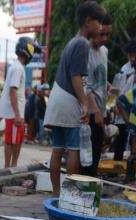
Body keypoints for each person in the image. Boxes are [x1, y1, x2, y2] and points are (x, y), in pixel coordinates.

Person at [43, 0, 106, 194]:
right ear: (88, 22)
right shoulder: (82, 44)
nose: (101, 27)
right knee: (73, 150)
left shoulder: (73, 41)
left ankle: (55, 193)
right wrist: (85, 105)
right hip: (69, 100)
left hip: (57, 98)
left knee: (57, 150)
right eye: (99, 22)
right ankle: (70, 195)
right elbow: (77, 77)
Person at [0, 37, 36, 167]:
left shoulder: (16, 67)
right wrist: (17, 114)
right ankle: (10, 168)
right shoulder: (18, 68)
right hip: (14, 114)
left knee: (16, 140)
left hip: (14, 112)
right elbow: (12, 91)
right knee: (12, 141)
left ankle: (11, 167)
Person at [82, 14, 112, 176]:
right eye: (102, 34)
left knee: (96, 153)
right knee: (87, 156)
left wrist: (108, 85)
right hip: (90, 111)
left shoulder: (104, 51)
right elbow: (86, 85)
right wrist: (96, 111)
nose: (104, 38)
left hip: (101, 109)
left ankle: (90, 189)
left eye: (108, 34)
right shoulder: (85, 50)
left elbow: (98, 77)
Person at [111, 40, 136, 160]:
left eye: (134, 55)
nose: (132, 58)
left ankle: (133, 161)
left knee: (135, 138)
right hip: (122, 106)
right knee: (121, 137)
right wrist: (115, 104)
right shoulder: (124, 68)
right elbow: (118, 89)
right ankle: (117, 161)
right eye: (130, 55)